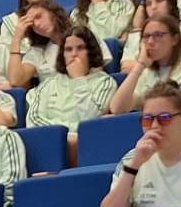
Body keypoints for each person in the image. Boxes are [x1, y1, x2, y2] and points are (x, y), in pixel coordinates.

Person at [25, 26, 117, 154]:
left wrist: (78, 79)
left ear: (90, 51)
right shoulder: (49, 84)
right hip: (50, 145)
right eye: (68, 49)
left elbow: (90, 119)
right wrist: (64, 135)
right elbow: (33, 120)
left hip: (86, 147)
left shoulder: (105, 82)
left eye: (80, 48)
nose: (74, 54)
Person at [5, 0, 69, 89]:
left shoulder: (80, 37)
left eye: (39, 16)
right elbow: (15, 80)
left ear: (54, 13)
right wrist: (17, 38)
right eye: (32, 24)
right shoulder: (37, 51)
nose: (37, 24)